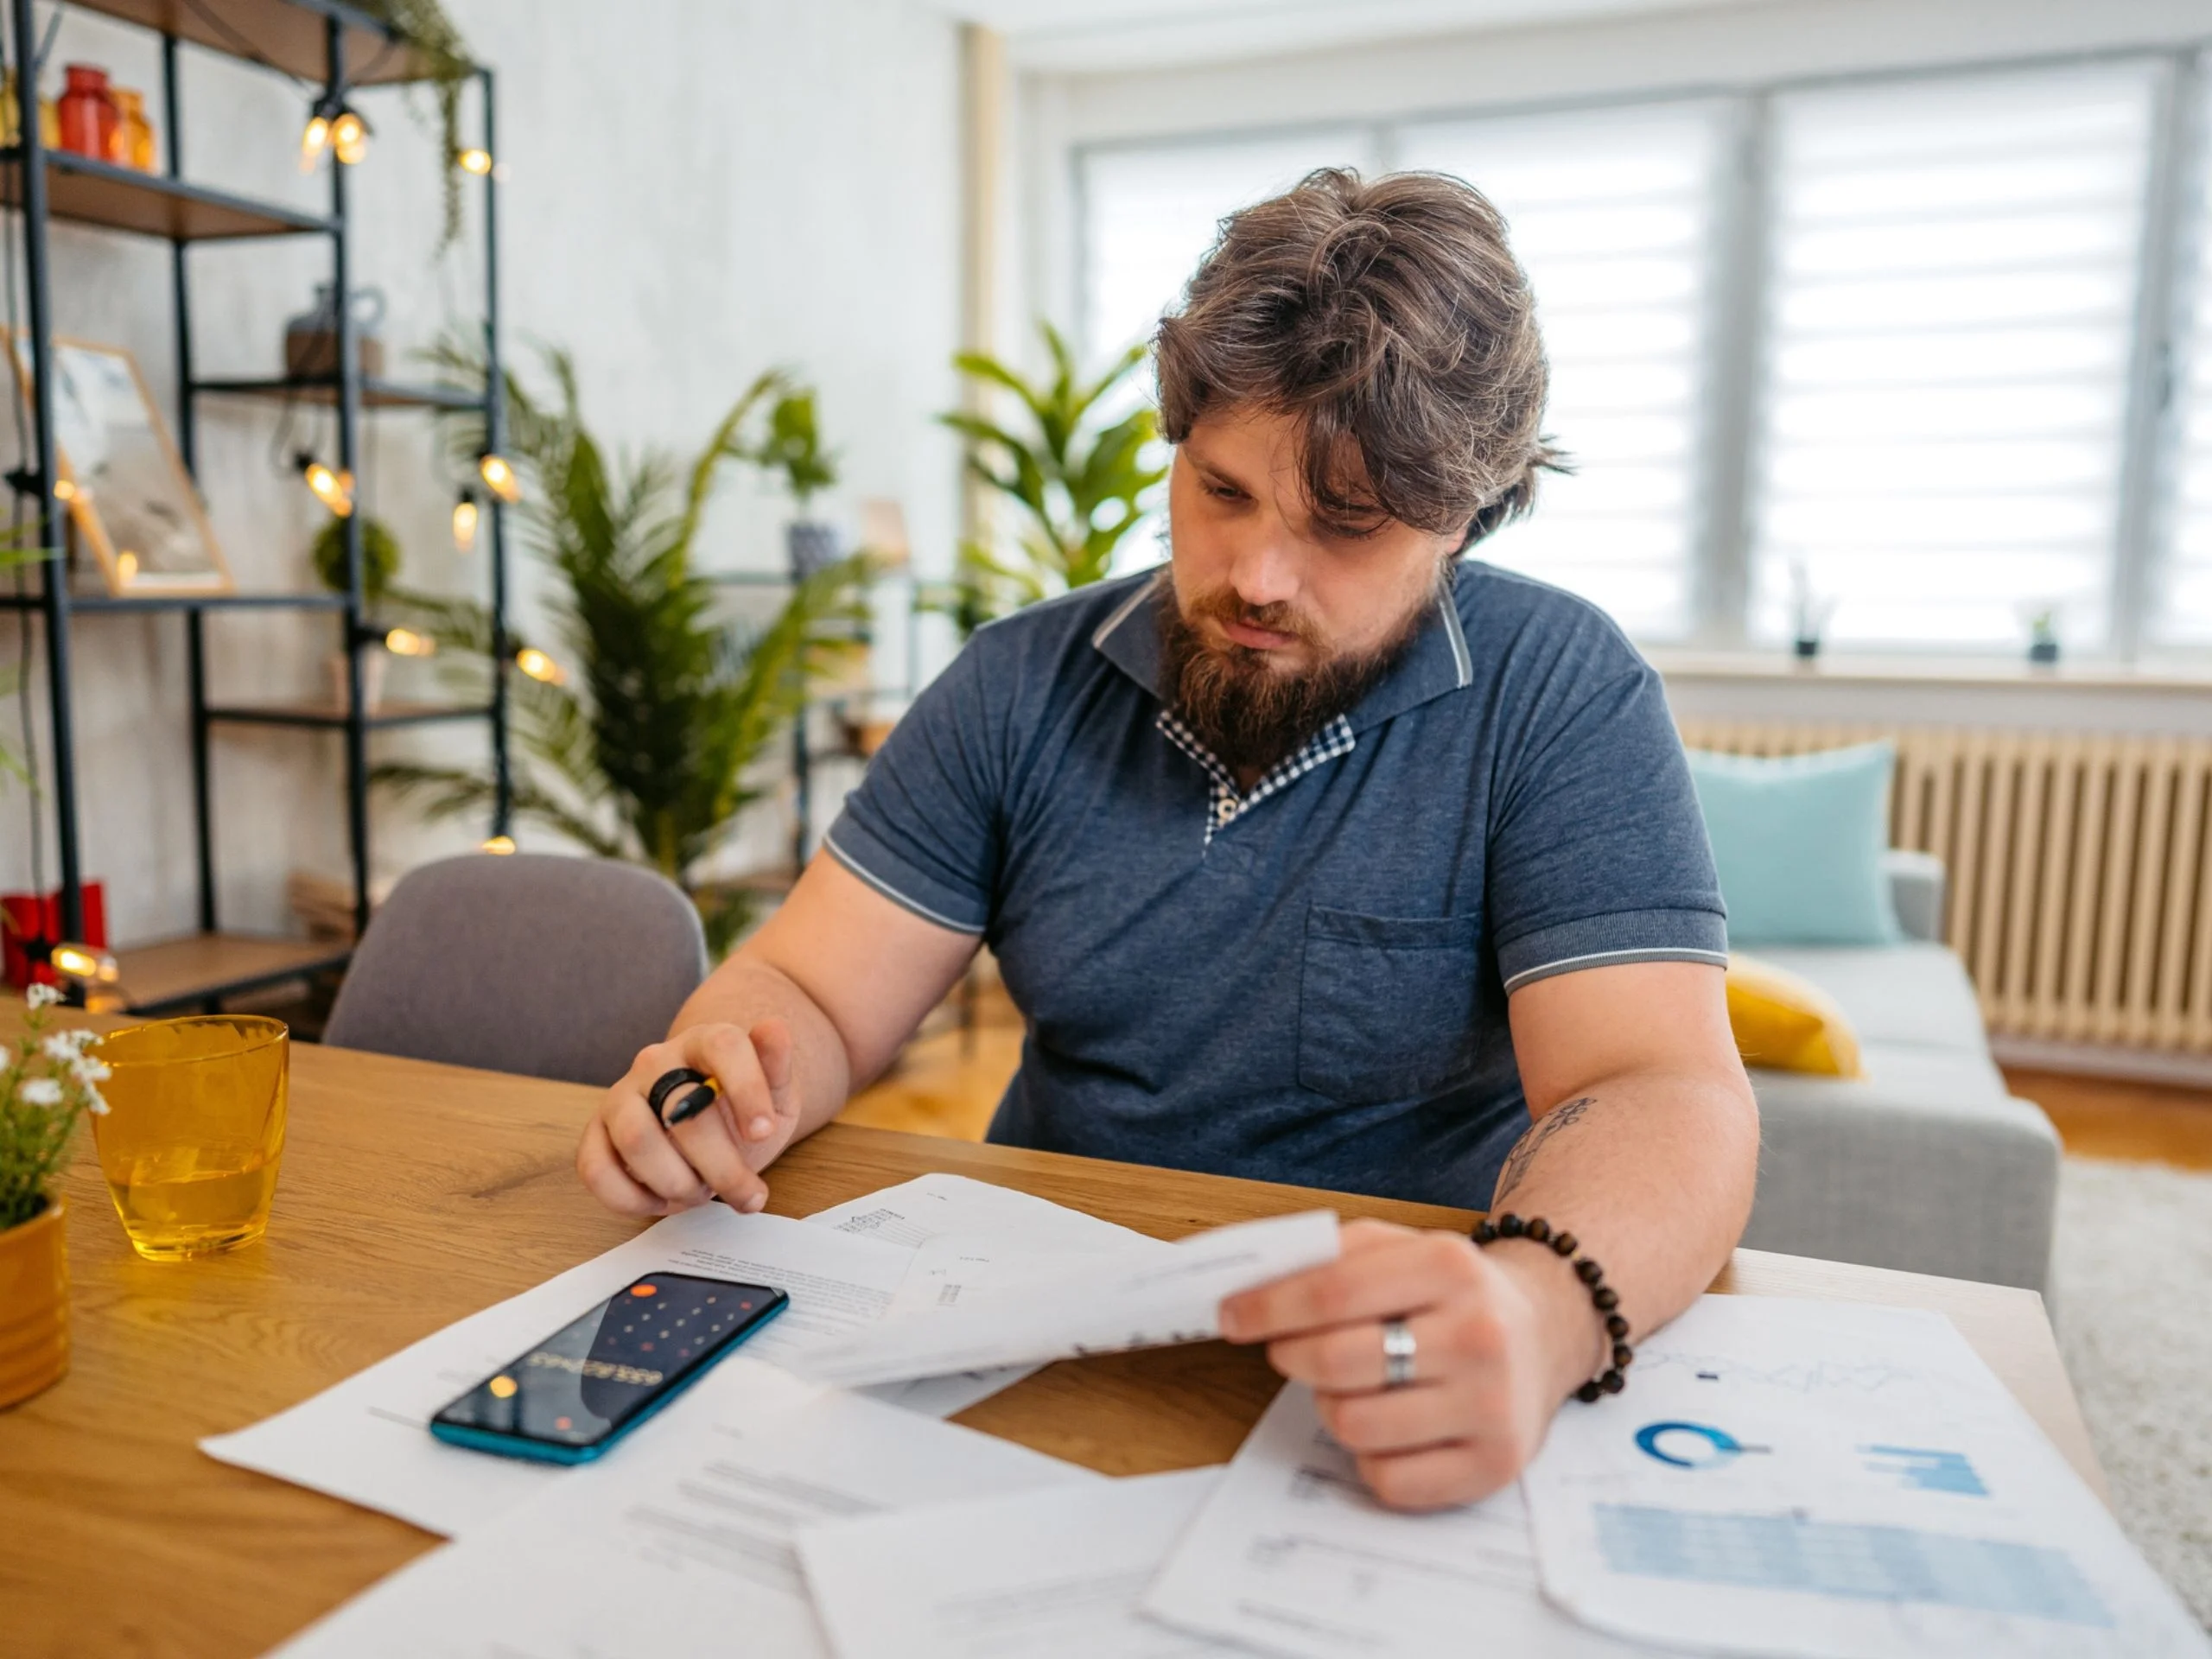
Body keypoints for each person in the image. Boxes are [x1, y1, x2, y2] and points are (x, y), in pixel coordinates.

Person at [577, 168, 1758, 1510]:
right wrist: (727, 1073)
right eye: (1223, 491)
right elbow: (807, 992)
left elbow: (1661, 1089)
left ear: (1465, 520)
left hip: (1391, 1364)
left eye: (1346, 524)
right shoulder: (1018, 682)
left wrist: (1542, 1314)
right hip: (1031, 1332)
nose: (1257, 574)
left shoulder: (1558, 688)